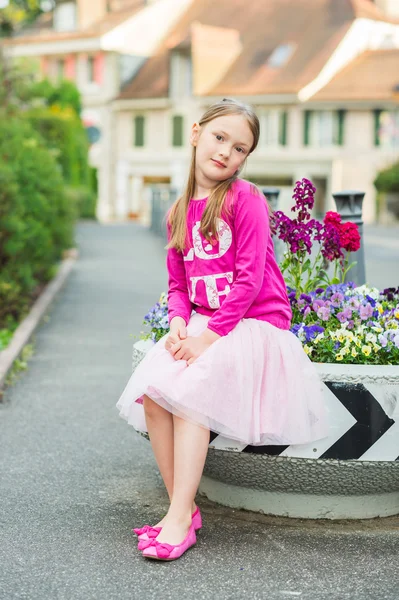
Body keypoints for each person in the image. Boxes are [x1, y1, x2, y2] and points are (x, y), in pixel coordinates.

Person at [116, 98, 328, 561]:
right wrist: (177, 324)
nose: (226, 152)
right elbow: (178, 286)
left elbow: (250, 280)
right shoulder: (178, 213)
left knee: (190, 393)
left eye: (240, 148)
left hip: (252, 323)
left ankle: (176, 522)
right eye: (219, 138)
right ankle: (184, 508)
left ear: (245, 159)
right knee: (153, 394)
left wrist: (206, 338)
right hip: (205, 323)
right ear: (196, 133)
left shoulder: (244, 198)